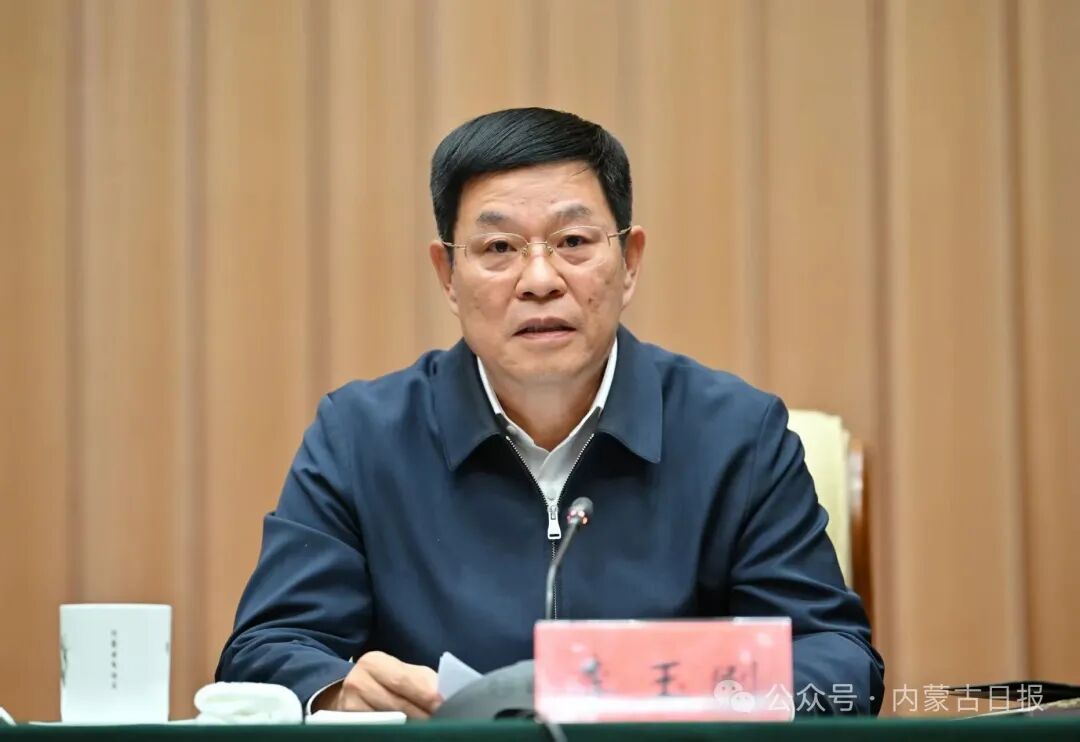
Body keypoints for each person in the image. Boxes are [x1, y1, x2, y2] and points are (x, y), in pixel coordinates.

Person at [216, 107, 885, 717]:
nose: (540, 281)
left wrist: (682, 698)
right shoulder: (360, 437)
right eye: (498, 249)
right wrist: (336, 689)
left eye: (573, 242)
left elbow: (838, 660)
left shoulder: (737, 435)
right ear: (447, 276)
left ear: (629, 262)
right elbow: (267, 649)